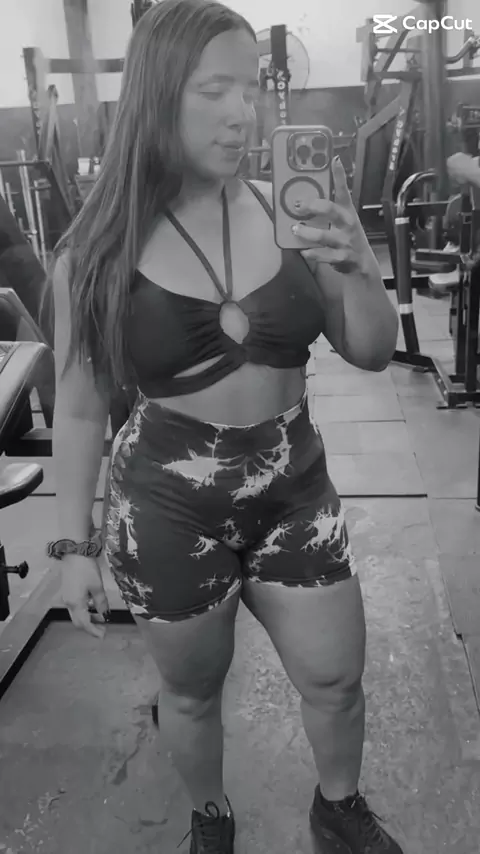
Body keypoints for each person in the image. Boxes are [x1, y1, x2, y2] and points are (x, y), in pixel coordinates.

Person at [46, 1, 401, 852]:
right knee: (192, 693)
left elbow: (371, 352)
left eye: (251, 88)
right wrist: (72, 548)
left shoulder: (296, 216)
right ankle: (210, 815)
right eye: (214, 91)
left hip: (293, 488)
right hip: (167, 505)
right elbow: (81, 408)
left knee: (336, 681)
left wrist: (358, 263)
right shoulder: (94, 252)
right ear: (158, 95)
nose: (242, 113)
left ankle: (337, 807)